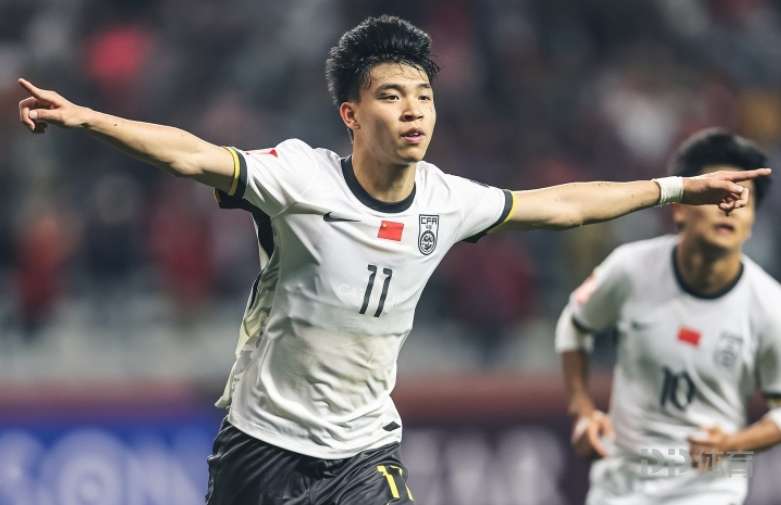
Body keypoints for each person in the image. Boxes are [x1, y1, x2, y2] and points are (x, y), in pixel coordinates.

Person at [18, 15, 769, 505]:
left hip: (364, 452)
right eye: (391, 96)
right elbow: (192, 155)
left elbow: (563, 204)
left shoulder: (447, 198)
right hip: (262, 450)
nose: (413, 111)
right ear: (351, 114)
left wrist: (677, 187)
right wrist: (86, 117)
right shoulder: (299, 178)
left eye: (424, 96)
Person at [555, 128, 781, 505]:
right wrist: (582, 411)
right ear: (679, 208)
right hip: (621, 485)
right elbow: (574, 325)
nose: (730, 207)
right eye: (718, 195)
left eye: (743, 199)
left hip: (710, 488)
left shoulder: (771, 306)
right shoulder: (630, 269)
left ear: (754, 220)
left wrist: (734, 443)